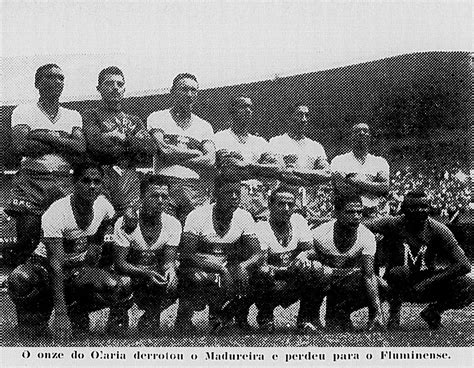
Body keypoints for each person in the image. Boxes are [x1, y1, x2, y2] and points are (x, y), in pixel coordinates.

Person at [7, 162, 132, 339]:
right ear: (74, 182)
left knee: (117, 285)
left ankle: (77, 310)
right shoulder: (57, 212)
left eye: (97, 182)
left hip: (75, 269)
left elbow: (107, 220)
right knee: (20, 279)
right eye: (86, 181)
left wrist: (96, 245)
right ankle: (36, 318)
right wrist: (60, 314)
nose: (92, 186)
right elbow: (55, 265)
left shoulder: (103, 206)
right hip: (44, 267)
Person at [6, 64, 85, 265]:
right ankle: (23, 286)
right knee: (28, 236)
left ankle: (60, 283)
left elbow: (79, 148)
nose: (57, 82)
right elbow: (21, 145)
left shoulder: (72, 115)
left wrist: (44, 135)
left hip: (63, 180)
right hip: (32, 180)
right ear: (37, 83)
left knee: (66, 236)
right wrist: (62, 140)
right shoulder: (23, 111)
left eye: (61, 78)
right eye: (50, 77)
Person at [365, 191, 472, 329]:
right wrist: (370, 238)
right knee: (400, 272)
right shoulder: (391, 223)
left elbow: (464, 265)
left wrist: (429, 282)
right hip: (394, 283)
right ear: (403, 208)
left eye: (424, 206)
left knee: (469, 285)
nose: (420, 210)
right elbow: (360, 226)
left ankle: (434, 311)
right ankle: (394, 313)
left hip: (427, 281)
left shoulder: (439, 230)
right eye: (414, 207)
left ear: (430, 208)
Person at [177, 175, 262, 333]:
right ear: (216, 193)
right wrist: (220, 269)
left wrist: (243, 266)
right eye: (229, 192)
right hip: (200, 268)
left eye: (237, 192)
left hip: (226, 268)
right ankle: (184, 318)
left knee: (256, 275)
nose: (235, 197)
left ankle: (230, 317)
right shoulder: (197, 216)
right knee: (197, 278)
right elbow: (187, 254)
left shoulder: (244, 217)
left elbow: (257, 253)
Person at [112, 175, 181, 335]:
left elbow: (168, 261)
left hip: (153, 274)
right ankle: (118, 315)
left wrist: (170, 271)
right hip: (130, 273)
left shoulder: (173, 224)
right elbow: (120, 263)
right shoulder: (126, 222)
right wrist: (146, 272)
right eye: (154, 195)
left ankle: (151, 314)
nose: (160, 200)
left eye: (164, 196)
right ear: (142, 197)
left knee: (175, 282)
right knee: (123, 282)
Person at [82, 66, 154, 218]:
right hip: (100, 176)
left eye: (119, 84)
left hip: (128, 177)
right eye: (109, 84)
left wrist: (122, 138)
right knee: (97, 226)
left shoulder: (134, 120)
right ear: (99, 88)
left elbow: (150, 148)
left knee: (128, 226)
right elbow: (94, 145)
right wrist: (133, 147)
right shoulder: (91, 115)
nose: (115, 88)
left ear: (124, 89)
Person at [307, 195, 385, 331]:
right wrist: (319, 265)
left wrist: (377, 312)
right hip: (324, 282)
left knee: (381, 285)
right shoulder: (319, 234)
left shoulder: (367, 237)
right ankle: (310, 316)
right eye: (350, 212)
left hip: (345, 283)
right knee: (314, 271)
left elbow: (368, 275)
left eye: (359, 212)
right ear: (337, 213)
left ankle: (339, 314)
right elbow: (304, 262)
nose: (356, 216)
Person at [251, 185, 321, 333]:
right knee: (262, 273)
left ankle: (305, 319)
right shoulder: (261, 228)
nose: (286, 208)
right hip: (273, 278)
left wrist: (304, 255)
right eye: (281, 204)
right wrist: (287, 269)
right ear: (270, 205)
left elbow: (311, 250)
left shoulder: (298, 220)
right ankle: (265, 317)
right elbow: (262, 264)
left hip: (292, 277)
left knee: (317, 268)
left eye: (290, 204)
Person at [147, 73, 215, 225]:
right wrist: (195, 152)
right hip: (165, 185)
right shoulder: (157, 117)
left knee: (191, 234)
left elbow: (210, 160)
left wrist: (174, 156)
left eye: (193, 90)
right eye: (184, 89)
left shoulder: (204, 126)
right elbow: (164, 150)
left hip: (194, 187)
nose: (189, 94)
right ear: (173, 91)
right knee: (165, 231)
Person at [214, 96, 280, 220]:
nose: (248, 110)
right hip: (235, 194)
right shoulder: (221, 137)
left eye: (250, 107)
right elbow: (229, 170)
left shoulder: (260, 141)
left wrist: (242, 164)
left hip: (260, 196)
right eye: (243, 107)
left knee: (262, 233)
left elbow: (275, 169)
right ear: (232, 111)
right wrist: (260, 169)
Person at [268, 104, 331, 220]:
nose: (304, 119)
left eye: (306, 115)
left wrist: (295, 171)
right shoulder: (276, 143)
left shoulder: (316, 147)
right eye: (299, 115)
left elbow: (327, 174)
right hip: (286, 204)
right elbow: (283, 175)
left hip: (312, 206)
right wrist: (314, 179)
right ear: (289, 118)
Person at [331, 123, 390, 218]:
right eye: (357, 131)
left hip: (374, 215)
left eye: (365, 131)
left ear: (369, 137)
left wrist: (354, 180)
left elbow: (384, 187)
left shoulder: (380, 162)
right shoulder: (339, 160)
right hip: (347, 215)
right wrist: (373, 185)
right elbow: (343, 189)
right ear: (351, 137)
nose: (362, 133)